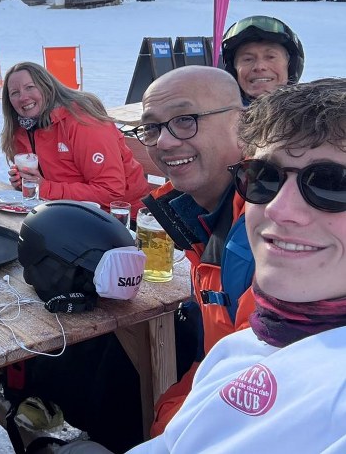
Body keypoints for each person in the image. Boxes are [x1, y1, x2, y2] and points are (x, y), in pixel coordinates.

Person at [51, 78, 346, 453]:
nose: (278, 209)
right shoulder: (254, 336)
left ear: (238, 126)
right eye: (265, 178)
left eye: (331, 185)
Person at [131, 65, 251, 436]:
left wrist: (167, 435)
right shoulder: (199, 215)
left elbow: (253, 390)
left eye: (185, 120)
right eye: (152, 127)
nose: (164, 142)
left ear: (243, 124)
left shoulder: (267, 232)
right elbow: (216, 361)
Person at [0, 61, 147, 211]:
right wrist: (24, 182)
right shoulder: (22, 130)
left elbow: (110, 191)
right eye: (14, 93)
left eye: (30, 87)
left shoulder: (83, 122)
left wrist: (44, 188)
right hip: (61, 211)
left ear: (47, 87)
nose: (23, 97)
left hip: (118, 215)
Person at [220, 15, 304, 104]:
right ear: (233, 70)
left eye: (270, 57)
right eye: (248, 59)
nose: (259, 67)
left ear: (291, 65)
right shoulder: (215, 111)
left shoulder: (312, 111)